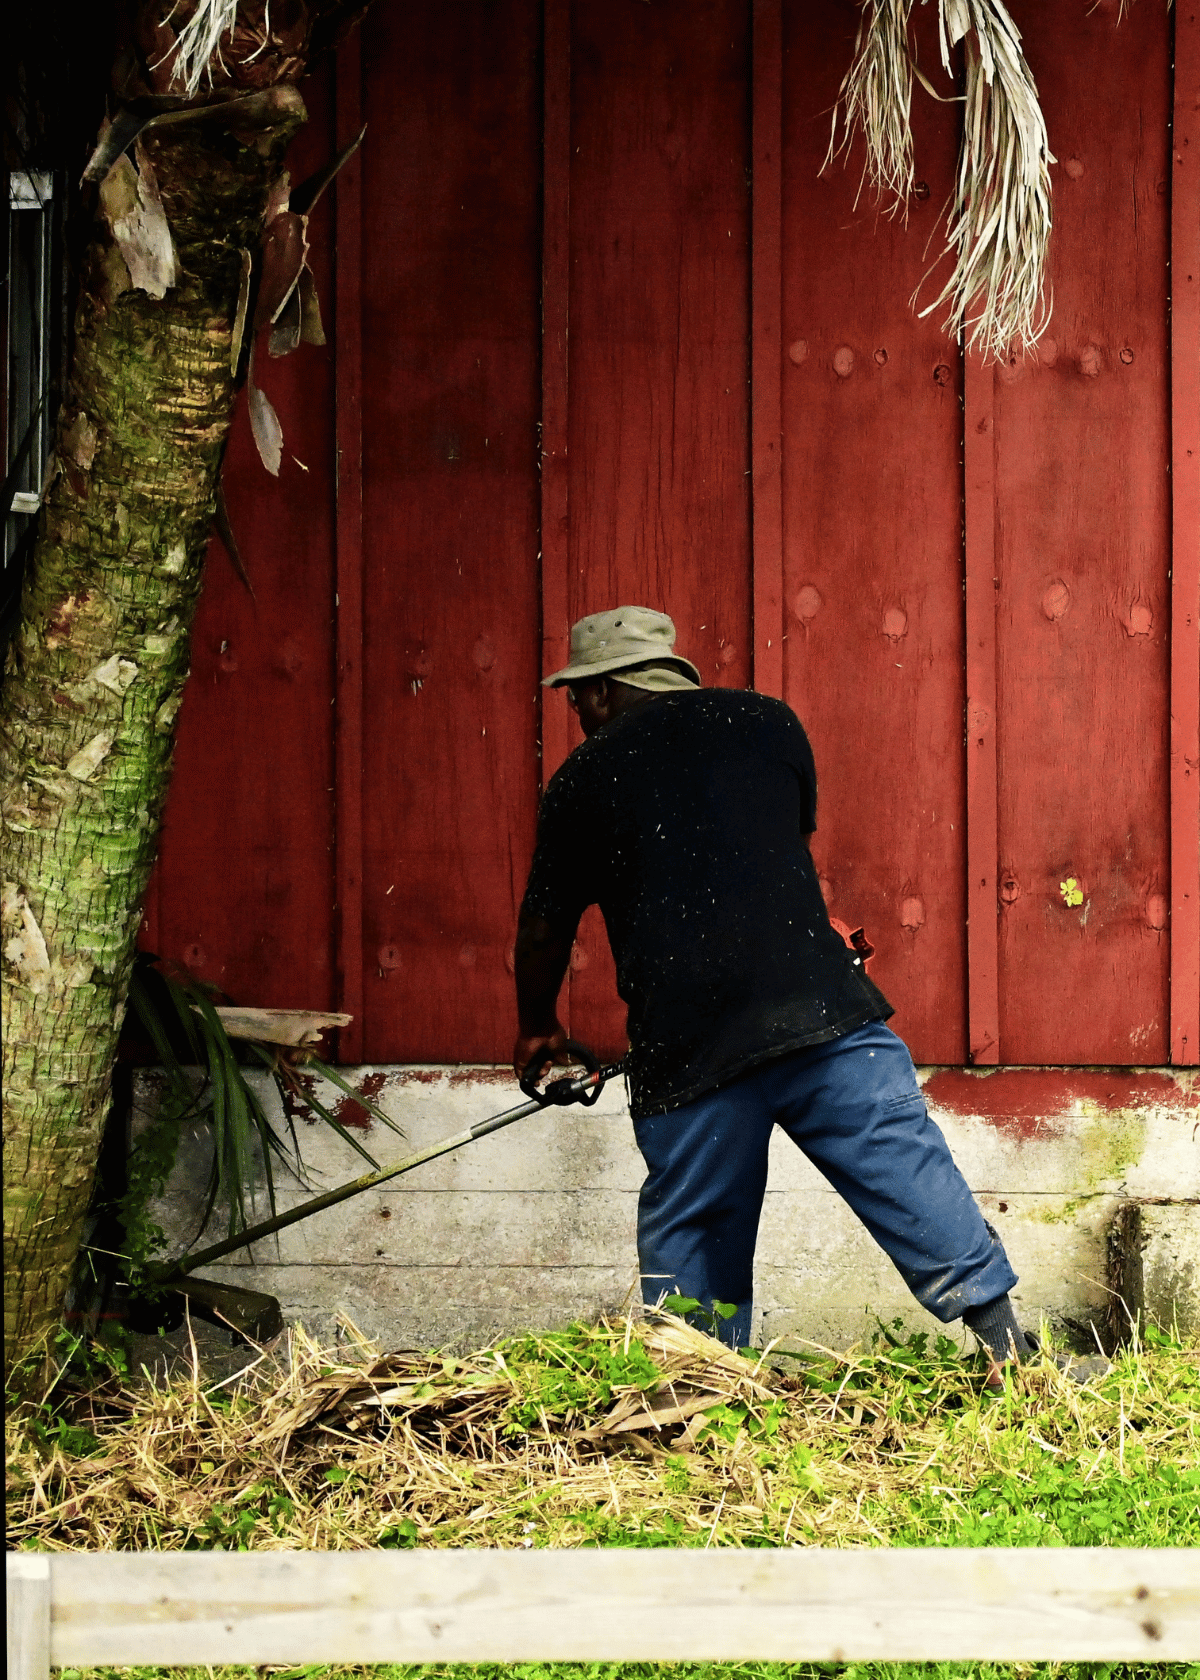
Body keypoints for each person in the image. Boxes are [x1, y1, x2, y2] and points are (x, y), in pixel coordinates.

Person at [512, 605, 1035, 1378]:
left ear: (596, 693)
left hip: (690, 1047)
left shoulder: (582, 780)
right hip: (821, 1013)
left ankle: (699, 1393)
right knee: (903, 1170)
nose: (575, 714)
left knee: (697, 1219)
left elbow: (545, 928)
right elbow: (769, 846)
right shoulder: (769, 724)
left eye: (576, 698)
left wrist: (538, 1029)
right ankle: (1011, 1353)